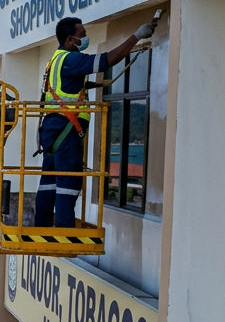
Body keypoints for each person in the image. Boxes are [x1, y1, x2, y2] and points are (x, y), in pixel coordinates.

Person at [36, 15, 156, 227]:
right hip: (67, 129)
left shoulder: (56, 59)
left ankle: (42, 224)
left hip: (53, 127)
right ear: (69, 39)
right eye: (82, 35)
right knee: (68, 183)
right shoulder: (71, 59)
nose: (85, 38)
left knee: (50, 181)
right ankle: (64, 233)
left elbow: (67, 87)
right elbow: (105, 60)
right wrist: (136, 37)